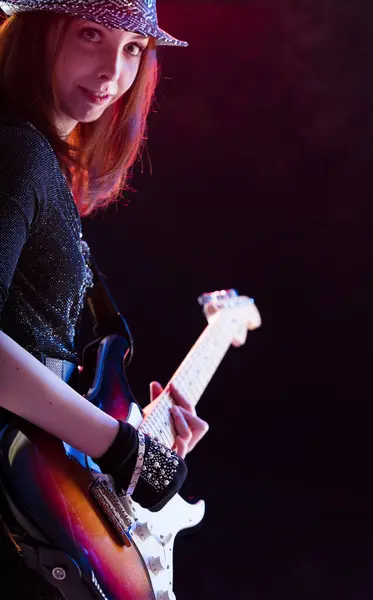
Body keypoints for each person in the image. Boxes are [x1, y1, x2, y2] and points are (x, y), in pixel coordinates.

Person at [0, 1, 209, 597]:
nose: (111, 72)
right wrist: (119, 447)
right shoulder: (16, 155)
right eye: (90, 35)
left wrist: (136, 430)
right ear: (34, 34)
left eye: (132, 49)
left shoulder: (40, 162)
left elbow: (38, 350)